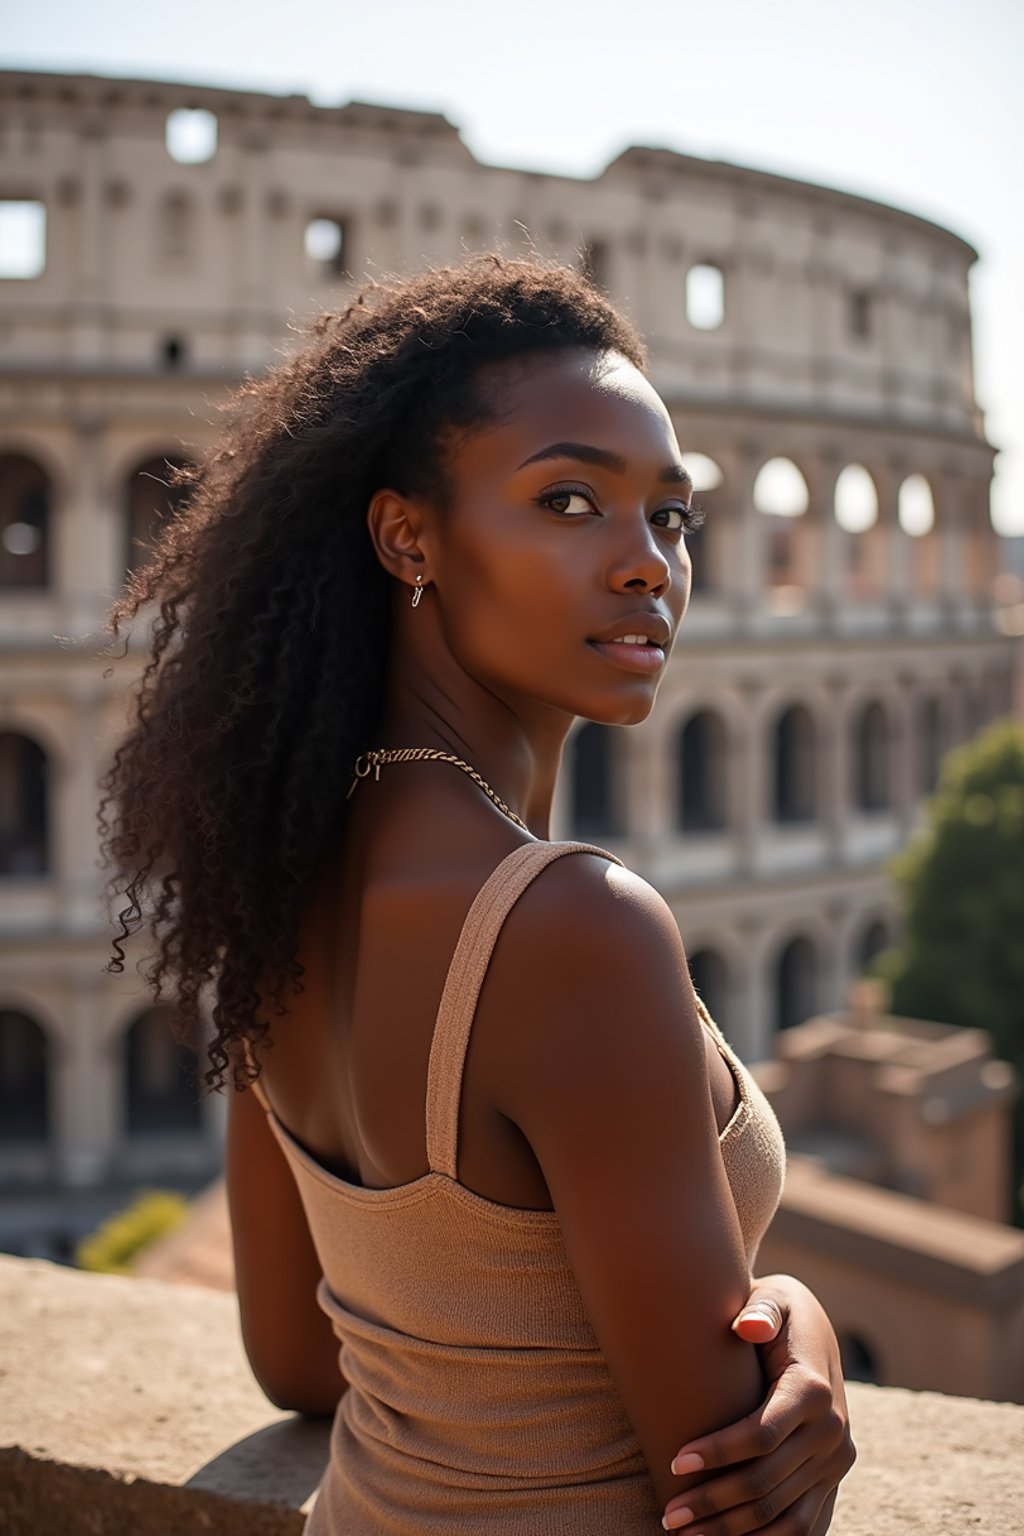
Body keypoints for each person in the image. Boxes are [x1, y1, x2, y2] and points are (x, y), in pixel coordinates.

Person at [99, 255, 855, 1534]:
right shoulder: (572, 927)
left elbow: (297, 1363)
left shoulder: (282, 883)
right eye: (569, 500)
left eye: (671, 517)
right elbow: (729, 1496)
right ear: (410, 537)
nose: (647, 566)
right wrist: (805, 1322)